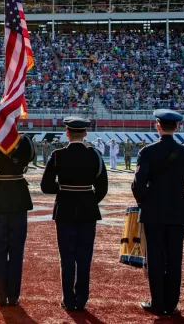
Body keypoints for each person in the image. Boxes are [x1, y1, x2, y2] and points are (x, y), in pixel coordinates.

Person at [132, 109, 184, 317]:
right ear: (177, 127)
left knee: (154, 258)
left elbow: (138, 185)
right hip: (177, 214)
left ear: (157, 126)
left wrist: (145, 202)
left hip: (153, 214)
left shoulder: (146, 152)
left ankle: (158, 302)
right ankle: (171, 304)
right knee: (174, 259)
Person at [40, 117, 108, 311]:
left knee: (67, 256)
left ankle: (68, 299)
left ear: (67, 133)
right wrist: (89, 200)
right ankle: (82, 299)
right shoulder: (95, 155)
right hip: (88, 210)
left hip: (65, 209)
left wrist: (63, 190)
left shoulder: (58, 155)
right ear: (85, 133)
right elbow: (102, 187)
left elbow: (46, 186)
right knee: (84, 257)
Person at [0, 133, 35, 307]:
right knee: (17, 250)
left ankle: (1, 294)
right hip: (19, 197)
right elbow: (29, 157)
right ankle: (13, 295)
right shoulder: (25, 141)